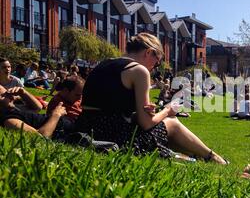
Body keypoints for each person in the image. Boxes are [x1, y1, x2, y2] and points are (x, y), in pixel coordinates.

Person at [75, 33, 228, 164]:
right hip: (115, 136)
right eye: (156, 63)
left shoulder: (103, 64)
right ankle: (213, 157)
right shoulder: (138, 70)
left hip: (87, 128)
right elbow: (147, 123)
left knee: (163, 125)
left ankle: (200, 156)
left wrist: (139, 111)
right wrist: (167, 110)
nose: (154, 68)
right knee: (172, 123)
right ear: (149, 52)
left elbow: (109, 105)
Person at [0, 85, 71, 139]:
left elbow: (38, 108)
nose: (11, 95)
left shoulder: (14, 108)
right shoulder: (9, 120)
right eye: (5, 94)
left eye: (8, 92)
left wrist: (24, 93)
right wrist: (56, 115)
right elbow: (40, 138)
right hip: (68, 130)